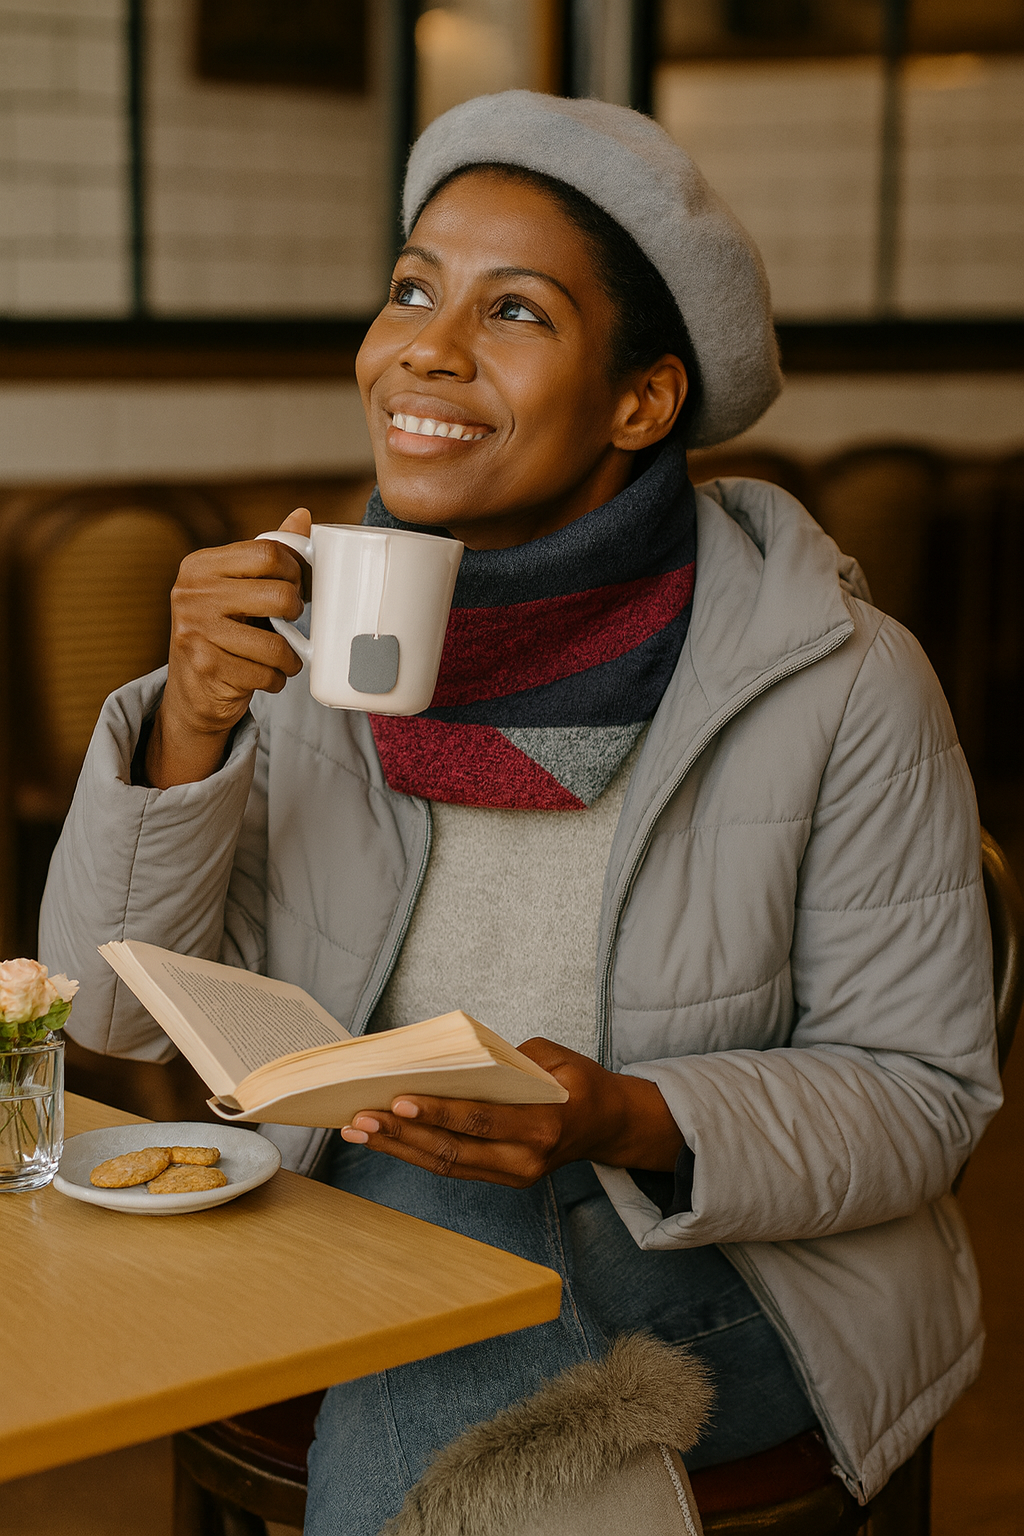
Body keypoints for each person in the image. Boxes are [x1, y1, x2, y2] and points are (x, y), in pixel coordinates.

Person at [41, 92, 1000, 1536]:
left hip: (736, 1267)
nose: (426, 348)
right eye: (411, 289)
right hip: (344, 1219)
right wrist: (187, 725)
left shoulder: (838, 678)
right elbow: (107, 1019)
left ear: (642, 403)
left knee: (444, 1268)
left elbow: (924, 1098)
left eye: (514, 312)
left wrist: (627, 1115)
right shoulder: (295, 643)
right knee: (429, 1250)